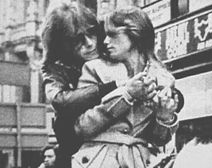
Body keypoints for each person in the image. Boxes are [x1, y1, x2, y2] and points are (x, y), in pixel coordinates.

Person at [40, 2, 155, 168]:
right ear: (62, 46)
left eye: (91, 34)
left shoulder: (108, 40)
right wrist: (114, 86)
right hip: (76, 143)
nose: (89, 43)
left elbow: (144, 60)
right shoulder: (54, 66)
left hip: (126, 147)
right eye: (77, 40)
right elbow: (60, 101)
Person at [72, 6, 183, 168]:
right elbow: (82, 127)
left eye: (112, 34)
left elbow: (159, 140)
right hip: (99, 160)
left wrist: (164, 117)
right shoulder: (94, 69)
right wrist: (126, 95)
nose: (105, 41)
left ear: (135, 34)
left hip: (140, 161)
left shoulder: (164, 79)